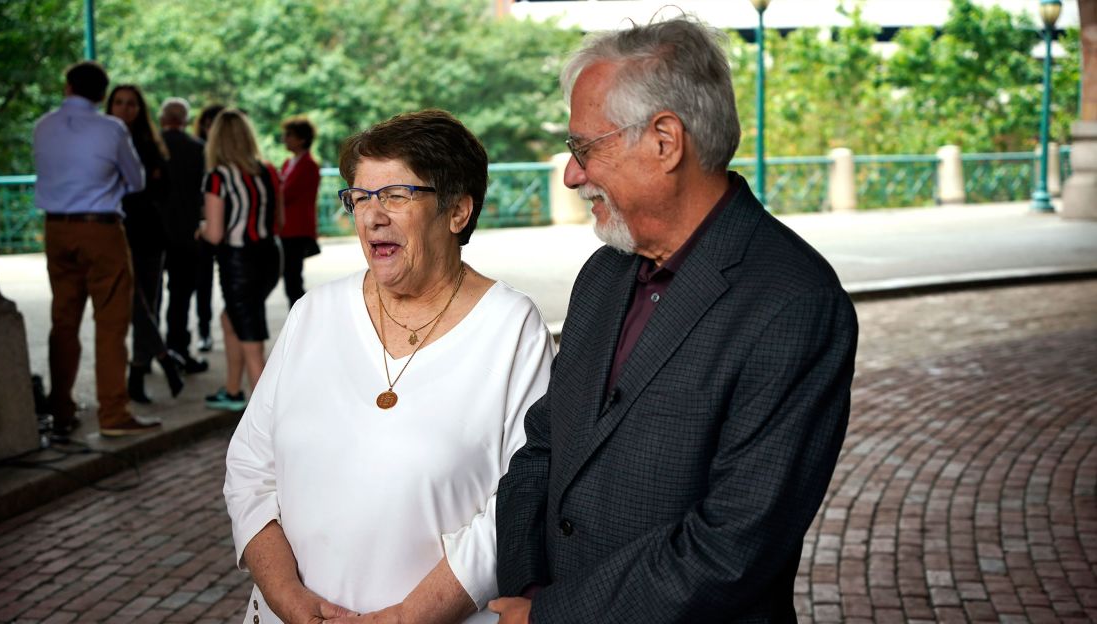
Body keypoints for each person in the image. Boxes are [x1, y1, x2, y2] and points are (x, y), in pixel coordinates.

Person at [491, 17, 859, 623]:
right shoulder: (602, 274)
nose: (572, 174)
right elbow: (543, 450)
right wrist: (529, 588)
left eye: (585, 148)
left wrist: (552, 617)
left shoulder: (795, 304)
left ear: (665, 140)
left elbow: (732, 546)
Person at [224, 109, 554, 623]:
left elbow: (518, 502)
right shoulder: (315, 312)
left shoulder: (512, 329)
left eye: (396, 195)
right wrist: (286, 596)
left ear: (458, 211)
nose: (371, 216)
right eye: (359, 197)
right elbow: (249, 467)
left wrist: (407, 617)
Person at [32, 61, 161, 436]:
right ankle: (113, 414)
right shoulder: (112, 129)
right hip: (102, 230)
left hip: (56, 229)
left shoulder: (43, 126)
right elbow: (136, 180)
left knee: (63, 320)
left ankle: (61, 410)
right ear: (102, 94)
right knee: (110, 323)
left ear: (67, 86)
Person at [199, 109, 282, 411]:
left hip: (239, 263)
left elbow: (215, 233)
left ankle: (264, 422)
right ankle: (233, 391)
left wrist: (201, 229)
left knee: (252, 341)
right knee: (231, 321)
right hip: (270, 256)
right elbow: (278, 219)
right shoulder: (265, 171)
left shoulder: (218, 177)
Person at [106, 84, 184, 404]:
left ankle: (137, 374)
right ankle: (163, 358)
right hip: (116, 231)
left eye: (132, 104)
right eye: (120, 103)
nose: (126, 109)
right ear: (109, 106)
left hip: (149, 234)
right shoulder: (104, 140)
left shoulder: (151, 142)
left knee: (146, 304)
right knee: (131, 302)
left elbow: (160, 188)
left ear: (140, 109)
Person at [158, 97, 209, 374]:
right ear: (186, 120)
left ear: (162, 118)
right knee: (180, 297)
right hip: (186, 233)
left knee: (150, 299)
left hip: (152, 234)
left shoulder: (150, 147)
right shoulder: (197, 149)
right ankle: (178, 349)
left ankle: (150, 353)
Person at [277, 115, 322, 308]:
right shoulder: (289, 163)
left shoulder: (309, 166)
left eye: (289, 135)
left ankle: (302, 317)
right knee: (291, 278)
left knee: (293, 279)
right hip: (287, 228)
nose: (285, 139)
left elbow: (286, 193)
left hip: (296, 228)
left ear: (301, 139)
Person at [193, 103, 225, 353]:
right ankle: (204, 330)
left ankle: (229, 327)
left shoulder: (229, 157)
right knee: (202, 282)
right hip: (202, 226)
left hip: (228, 229)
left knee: (229, 283)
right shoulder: (196, 151)